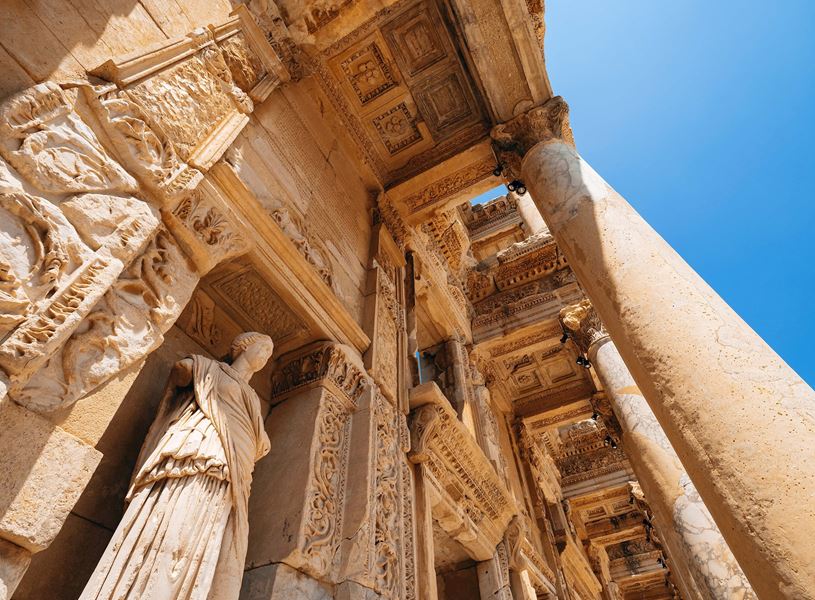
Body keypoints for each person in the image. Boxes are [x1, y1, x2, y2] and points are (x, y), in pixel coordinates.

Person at [80, 332, 273, 600]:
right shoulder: (210, 369)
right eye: (262, 349)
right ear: (242, 347)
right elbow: (181, 371)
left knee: (206, 535)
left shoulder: (252, 397)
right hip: (197, 452)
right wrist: (199, 370)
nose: (265, 357)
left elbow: (261, 443)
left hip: (231, 469)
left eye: (269, 354)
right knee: (173, 519)